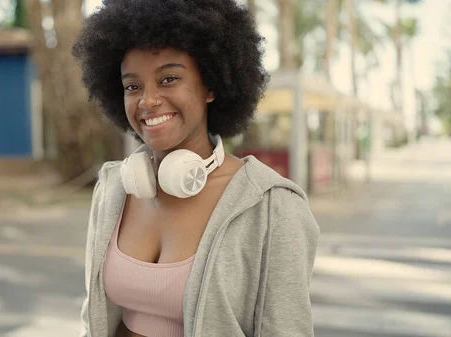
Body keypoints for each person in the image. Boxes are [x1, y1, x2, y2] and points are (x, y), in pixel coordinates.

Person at [72, 0, 320, 336]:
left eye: (169, 78)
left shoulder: (272, 206)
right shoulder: (113, 189)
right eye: (133, 86)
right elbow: (95, 320)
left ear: (211, 85)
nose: (148, 101)